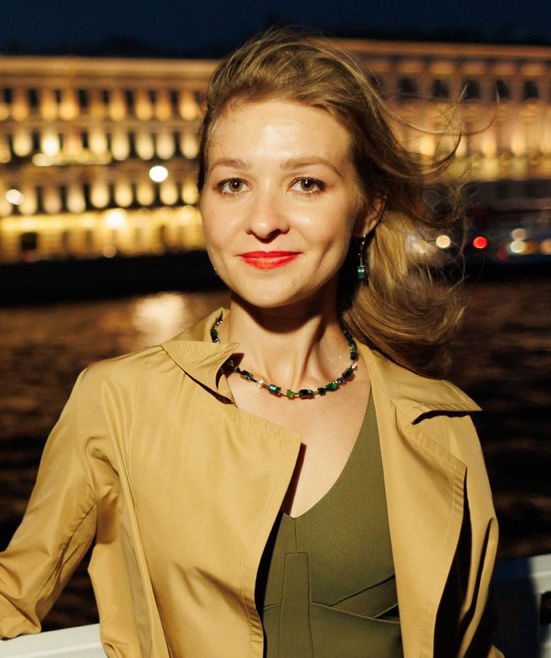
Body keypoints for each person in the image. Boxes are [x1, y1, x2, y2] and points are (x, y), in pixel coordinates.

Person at [0, 28, 502, 657]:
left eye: (306, 183)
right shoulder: (119, 402)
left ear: (368, 209)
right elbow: (11, 594)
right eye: (233, 184)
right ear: (203, 203)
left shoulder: (438, 422)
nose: (263, 222)